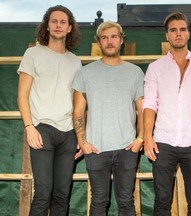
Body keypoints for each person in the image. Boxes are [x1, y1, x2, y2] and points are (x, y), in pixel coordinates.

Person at [143, 12, 191, 215]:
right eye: (173, 30)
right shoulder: (155, 68)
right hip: (163, 142)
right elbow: (149, 104)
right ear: (167, 35)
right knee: (161, 200)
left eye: (183, 29)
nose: (178, 34)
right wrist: (147, 137)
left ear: (189, 34)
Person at [72, 21, 144, 216]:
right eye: (104, 38)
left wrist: (140, 139)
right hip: (96, 149)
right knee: (98, 201)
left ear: (121, 40)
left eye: (113, 37)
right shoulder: (85, 73)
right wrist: (83, 142)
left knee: (126, 201)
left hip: (127, 148)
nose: (109, 41)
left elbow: (143, 109)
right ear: (98, 42)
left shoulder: (135, 72)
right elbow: (78, 111)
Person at [17, 5, 81, 216]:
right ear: (47, 25)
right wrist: (29, 127)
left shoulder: (75, 61)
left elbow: (79, 102)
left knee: (62, 194)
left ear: (70, 28)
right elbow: (22, 95)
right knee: (43, 193)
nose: (58, 25)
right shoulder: (33, 54)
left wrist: (81, 136)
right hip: (42, 130)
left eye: (63, 22)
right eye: (54, 21)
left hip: (68, 134)